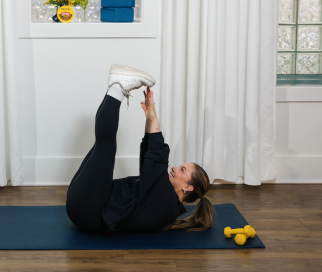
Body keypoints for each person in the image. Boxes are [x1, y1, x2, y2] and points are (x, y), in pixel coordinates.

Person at [66, 64, 215, 235]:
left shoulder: (166, 203)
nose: (174, 168)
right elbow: (149, 160)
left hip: (89, 211)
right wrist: (151, 118)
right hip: (88, 205)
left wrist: (155, 120)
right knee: (101, 145)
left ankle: (118, 86)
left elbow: (157, 160)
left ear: (188, 187)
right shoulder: (164, 198)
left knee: (105, 146)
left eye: (182, 169)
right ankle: (115, 87)